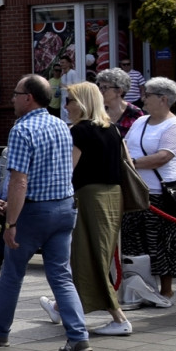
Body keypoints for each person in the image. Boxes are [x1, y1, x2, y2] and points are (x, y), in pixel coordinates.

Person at [0, 74, 90, 351]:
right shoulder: (62, 125)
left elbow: (18, 181)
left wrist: (11, 222)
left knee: (12, 273)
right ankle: (77, 334)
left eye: (15, 92)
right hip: (64, 207)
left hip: (35, 211)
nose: (11, 97)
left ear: (29, 97)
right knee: (61, 275)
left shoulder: (22, 130)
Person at [39, 82, 131, 335]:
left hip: (89, 197)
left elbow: (68, 170)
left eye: (70, 100)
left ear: (82, 104)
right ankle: (60, 307)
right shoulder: (112, 129)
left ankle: (119, 318)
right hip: (113, 197)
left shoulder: (79, 131)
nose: (66, 105)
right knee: (92, 255)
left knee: (89, 257)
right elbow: (127, 164)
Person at [123, 77, 176, 299]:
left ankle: (165, 291)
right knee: (134, 242)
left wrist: (131, 164)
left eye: (147, 94)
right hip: (136, 192)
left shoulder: (174, 125)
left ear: (163, 99)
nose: (143, 98)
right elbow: (125, 144)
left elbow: (163, 157)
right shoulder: (140, 121)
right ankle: (139, 289)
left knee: (160, 243)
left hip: (160, 194)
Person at [96, 68, 144, 138]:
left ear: (119, 91)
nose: (100, 92)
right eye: (100, 88)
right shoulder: (98, 111)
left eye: (105, 88)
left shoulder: (135, 113)